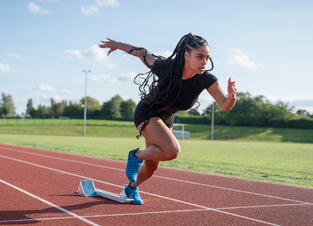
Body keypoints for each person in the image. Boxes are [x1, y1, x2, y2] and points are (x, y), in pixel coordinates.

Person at [99, 33, 237, 204]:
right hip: (147, 112)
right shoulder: (166, 67)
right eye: (199, 57)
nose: (204, 62)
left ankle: (130, 189)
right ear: (186, 55)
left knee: (152, 167)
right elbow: (141, 53)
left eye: (207, 58)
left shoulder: (206, 79)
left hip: (166, 118)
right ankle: (135, 155)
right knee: (172, 150)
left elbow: (224, 105)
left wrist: (231, 98)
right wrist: (117, 44)